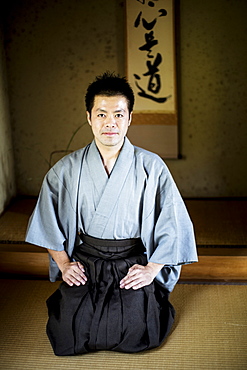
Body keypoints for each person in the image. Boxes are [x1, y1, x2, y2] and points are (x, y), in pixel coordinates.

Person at [26, 72, 198, 356]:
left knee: (136, 329)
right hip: (87, 260)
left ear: (129, 118)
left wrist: (151, 269)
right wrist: (65, 264)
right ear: (89, 117)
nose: (110, 123)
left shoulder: (150, 167)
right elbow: (47, 220)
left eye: (118, 114)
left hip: (131, 261)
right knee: (70, 330)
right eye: (102, 114)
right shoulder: (66, 169)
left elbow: (174, 221)